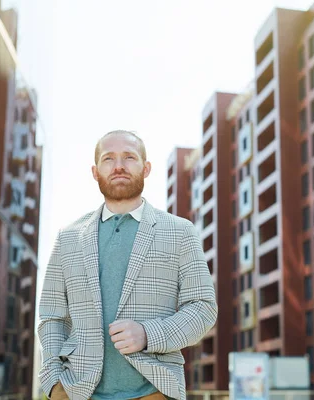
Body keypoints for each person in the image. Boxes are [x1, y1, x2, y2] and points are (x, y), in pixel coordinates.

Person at [37, 130, 218, 400]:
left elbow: (203, 309)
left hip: (154, 392)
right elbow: (52, 317)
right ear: (95, 171)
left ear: (145, 168)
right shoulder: (68, 238)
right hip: (78, 393)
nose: (119, 166)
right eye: (108, 159)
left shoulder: (181, 231)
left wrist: (148, 334)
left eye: (129, 157)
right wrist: (54, 384)